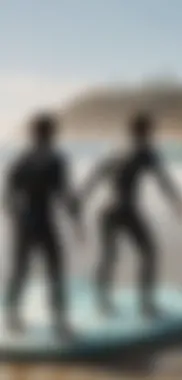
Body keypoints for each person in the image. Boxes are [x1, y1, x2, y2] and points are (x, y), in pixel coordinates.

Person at [81, 111, 182, 318]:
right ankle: (146, 305)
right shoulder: (146, 151)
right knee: (149, 253)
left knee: (108, 257)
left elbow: (94, 176)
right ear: (146, 131)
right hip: (126, 210)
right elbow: (163, 180)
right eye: (151, 130)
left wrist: (80, 202)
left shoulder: (116, 150)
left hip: (105, 211)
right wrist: (177, 202)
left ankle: (101, 301)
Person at [3, 112, 81, 339]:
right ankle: (59, 322)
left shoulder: (20, 159)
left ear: (32, 133)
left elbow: (7, 196)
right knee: (55, 270)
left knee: (20, 270)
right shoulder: (56, 159)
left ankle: (12, 317)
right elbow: (64, 194)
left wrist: (15, 218)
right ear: (51, 133)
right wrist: (77, 218)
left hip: (23, 222)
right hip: (44, 221)